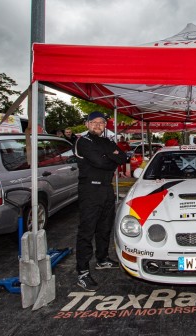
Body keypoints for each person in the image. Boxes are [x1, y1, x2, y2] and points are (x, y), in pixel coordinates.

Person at [74, 111, 127, 291]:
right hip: (90, 189)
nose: (98, 125)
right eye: (94, 122)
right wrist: (110, 157)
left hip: (106, 187)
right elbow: (101, 162)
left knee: (105, 226)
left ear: (105, 125)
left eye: (101, 123)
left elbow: (123, 157)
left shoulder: (106, 141)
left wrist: (109, 156)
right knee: (87, 230)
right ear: (87, 124)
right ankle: (82, 272)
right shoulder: (83, 141)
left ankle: (102, 259)